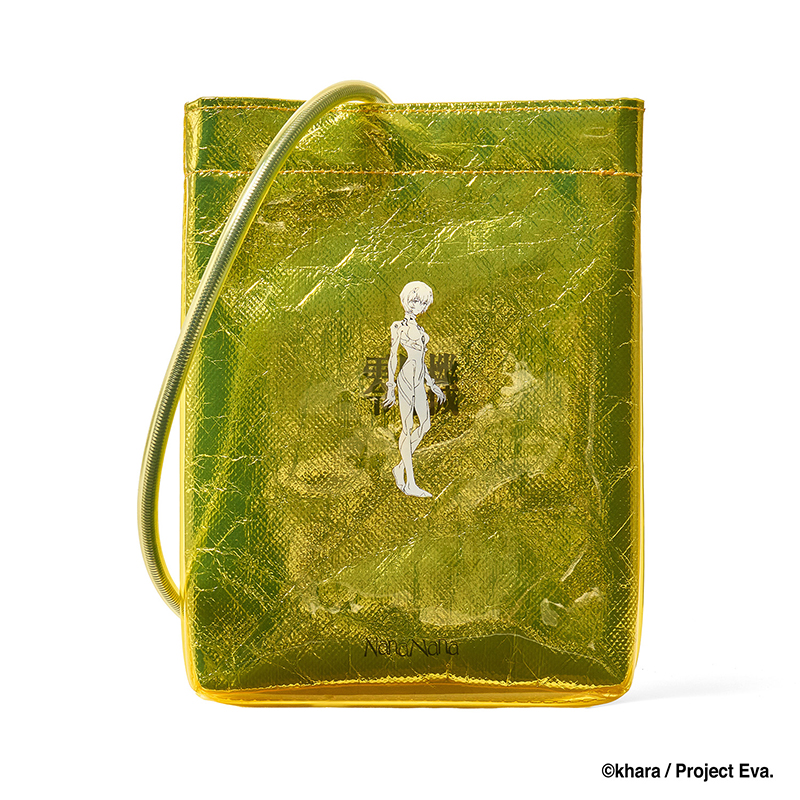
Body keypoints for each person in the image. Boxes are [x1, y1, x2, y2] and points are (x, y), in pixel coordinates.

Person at [383, 281, 445, 497]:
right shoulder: (398, 327)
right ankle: (410, 482)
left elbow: (422, 360)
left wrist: (432, 384)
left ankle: (399, 468)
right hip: (406, 378)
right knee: (407, 427)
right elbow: (392, 357)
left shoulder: (420, 330)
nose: (417, 306)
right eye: (415, 301)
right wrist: (390, 388)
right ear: (407, 300)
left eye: (422, 303)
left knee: (425, 425)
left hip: (419, 379)